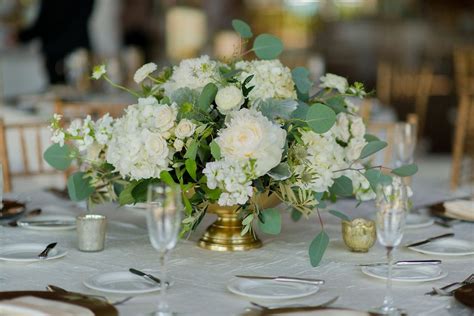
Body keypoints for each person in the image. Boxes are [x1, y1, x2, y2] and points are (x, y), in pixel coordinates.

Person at [17, 0, 95, 84]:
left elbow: (45, 22)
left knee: (60, 89)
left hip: (57, 51)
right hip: (79, 46)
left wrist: (21, 37)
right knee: (84, 89)